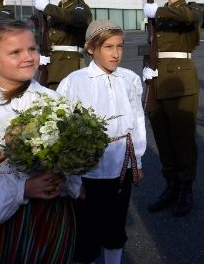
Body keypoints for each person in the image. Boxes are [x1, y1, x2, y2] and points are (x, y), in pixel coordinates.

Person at [0, 19, 80, 261]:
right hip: (0, 225)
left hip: (51, 215)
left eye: (32, 48)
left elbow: (73, 154)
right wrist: (23, 189)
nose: (29, 57)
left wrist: (67, 175)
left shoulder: (54, 100)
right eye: (15, 52)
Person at [57, 20, 146, 264]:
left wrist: (137, 160)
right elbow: (64, 131)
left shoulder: (129, 79)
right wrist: (72, 178)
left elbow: (137, 120)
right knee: (86, 231)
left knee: (115, 226)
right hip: (88, 172)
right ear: (91, 49)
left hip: (121, 167)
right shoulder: (75, 82)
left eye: (120, 46)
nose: (116, 54)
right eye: (108, 47)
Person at [142, 0, 201, 218]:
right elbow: (152, 44)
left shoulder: (190, 9)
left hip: (181, 81)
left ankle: (185, 188)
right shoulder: (156, 11)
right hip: (157, 79)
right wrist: (147, 68)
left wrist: (157, 14)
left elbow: (187, 19)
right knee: (163, 139)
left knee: (183, 139)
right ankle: (171, 186)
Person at [33, 0, 92, 90]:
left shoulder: (81, 7)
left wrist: (47, 7)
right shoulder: (55, 12)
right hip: (52, 63)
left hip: (70, 65)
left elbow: (76, 18)